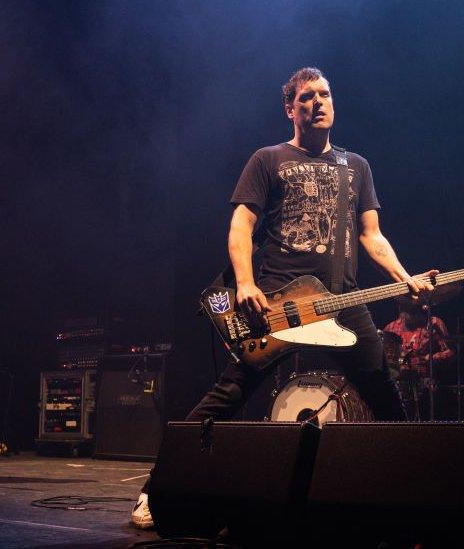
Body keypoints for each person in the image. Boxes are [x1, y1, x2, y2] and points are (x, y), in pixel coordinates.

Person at [131, 67, 437, 529]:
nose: (318, 102)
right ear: (290, 108)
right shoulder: (268, 159)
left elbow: (372, 236)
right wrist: (246, 283)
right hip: (279, 300)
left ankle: (421, 491)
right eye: (307, 97)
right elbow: (241, 225)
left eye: (325, 94)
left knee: (384, 393)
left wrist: (405, 276)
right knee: (229, 395)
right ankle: (156, 490)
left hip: (344, 302)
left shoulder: (357, 167)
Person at [382, 297, 455, 420]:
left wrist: (430, 358)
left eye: (413, 311)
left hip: (426, 382)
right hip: (400, 383)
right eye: (405, 311)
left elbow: (451, 352)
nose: (408, 315)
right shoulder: (391, 328)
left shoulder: (433, 323)